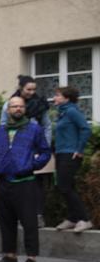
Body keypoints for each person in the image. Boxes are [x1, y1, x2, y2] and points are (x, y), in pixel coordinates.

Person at [0, 95, 52, 262]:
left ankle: (31, 257)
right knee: (6, 220)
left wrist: (32, 164)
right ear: (8, 110)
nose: (17, 109)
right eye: (14, 106)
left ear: (24, 109)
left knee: (29, 221)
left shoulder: (34, 129)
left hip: (25, 181)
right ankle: (10, 255)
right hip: (3, 181)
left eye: (20, 106)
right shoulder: (0, 130)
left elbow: (46, 152)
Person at [52, 86, 93, 233]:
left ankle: (84, 219)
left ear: (66, 98)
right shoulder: (62, 113)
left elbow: (85, 128)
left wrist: (79, 149)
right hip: (62, 153)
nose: (54, 98)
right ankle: (72, 218)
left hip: (71, 154)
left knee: (65, 187)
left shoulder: (72, 111)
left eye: (57, 95)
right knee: (67, 187)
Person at [0, 75, 52, 142]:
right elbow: (3, 125)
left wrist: (46, 147)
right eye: (29, 89)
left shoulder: (40, 104)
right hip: (15, 143)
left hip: (35, 144)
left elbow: (46, 126)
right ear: (20, 88)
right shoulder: (9, 104)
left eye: (34, 89)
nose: (32, 92)